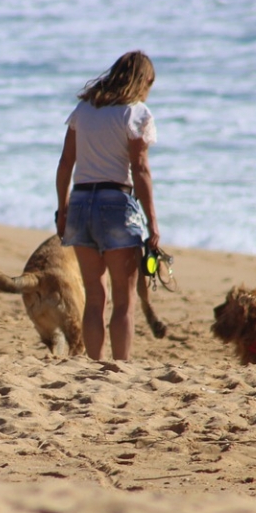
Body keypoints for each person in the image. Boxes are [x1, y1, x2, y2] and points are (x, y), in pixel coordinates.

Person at [55, 50, 161, 361]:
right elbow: (140, 169)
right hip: (116, 204)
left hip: (81, 204)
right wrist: (153, 223)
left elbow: (65, 164)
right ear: (143, 81)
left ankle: (94, 365)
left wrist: (62, 211)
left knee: (94, 297)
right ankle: (121, 367)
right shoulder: (136, 113)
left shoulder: (83, 110)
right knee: (124, 300)